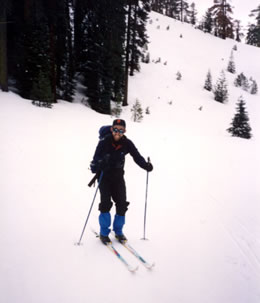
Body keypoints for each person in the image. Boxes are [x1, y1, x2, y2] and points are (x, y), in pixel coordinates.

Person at [90, 119, 153, 244]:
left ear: (124, 131)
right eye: (115, 129)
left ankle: (118, 231)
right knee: (106, 204)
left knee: (122, 204)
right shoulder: (104, 142)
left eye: (121, 130)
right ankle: (104, 233)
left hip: (118, 177)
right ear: (112, 129)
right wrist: (99, 163)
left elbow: (136, 156)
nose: (117, 133)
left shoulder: (127, 143)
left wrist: (145, 165)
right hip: (104, 177)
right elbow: (95, 160)